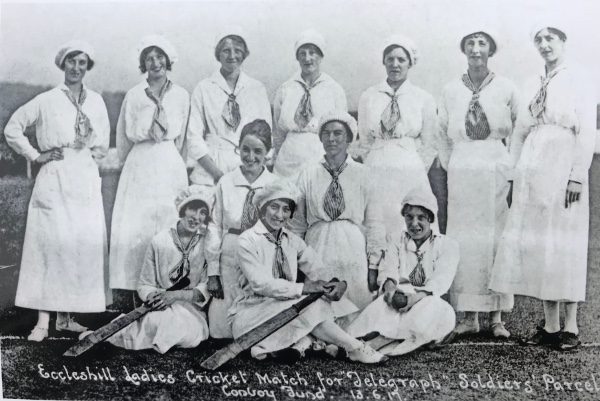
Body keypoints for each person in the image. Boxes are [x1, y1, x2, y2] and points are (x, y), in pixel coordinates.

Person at [489, 25, 596, 350]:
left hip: (563, 165)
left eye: (550, 38)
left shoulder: (578, 78)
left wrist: (577, 174)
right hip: (532, 170)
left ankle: (571, 327)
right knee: (541, 246)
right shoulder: (532, 82)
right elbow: (520, 132)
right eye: (538, 39)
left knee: (565, 241)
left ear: (563, 41)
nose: (544, 44)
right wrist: (513, 176)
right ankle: (549, 326)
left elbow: (587, 129)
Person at [4, 40, 109, 341]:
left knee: (75, 248)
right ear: (62, 64)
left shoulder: (97, 101)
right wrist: (36, 156)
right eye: (71, 62)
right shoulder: (47, 99)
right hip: (55, 173)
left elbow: (101, 145)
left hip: (84, 177)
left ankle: (66, 319)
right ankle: (42, 321)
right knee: (48, 245)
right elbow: (13, 128)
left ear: (88, 67)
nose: (76, 68)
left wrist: (89, 160)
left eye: (82, 63)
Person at [229, 180, 387, 363]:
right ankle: (354, 347)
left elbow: (316, 267)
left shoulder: (292, 240)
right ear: (263, 208)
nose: (280, 215)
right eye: (274, 207)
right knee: (312, 306)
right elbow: (261, 284)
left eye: (286, 209)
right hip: (251, 314)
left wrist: (336, 283)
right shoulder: (246, 241)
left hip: (284, 310)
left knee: (323, 303)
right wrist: (304, 288)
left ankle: (298, 344)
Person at [438, 29, 519, 338]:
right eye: (470, 43)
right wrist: (453, 164)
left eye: (482, 43)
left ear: (491, 50)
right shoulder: (450, 90)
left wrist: (508, 168)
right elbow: (442, 134)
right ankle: (467, 316)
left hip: (494, 166)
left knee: (494, 238)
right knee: (463, 238)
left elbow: (517, 132)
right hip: (463, 168)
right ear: (463, 49)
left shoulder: (507, 87)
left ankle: (496, 317)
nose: (475, 48)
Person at [109, 35, 189, 295]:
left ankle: (169, 283)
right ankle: (136, 289)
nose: (155, 63)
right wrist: (130, 165)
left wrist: (171, 159)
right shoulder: (134, 95)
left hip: (168, 162)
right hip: (140, 162)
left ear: (168, 60)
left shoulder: (181, 95)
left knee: (168, 219)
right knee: (138, 225)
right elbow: (123, 135)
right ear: (143, 63)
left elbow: (183, 137)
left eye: (159, 57)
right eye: (149, 58)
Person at [94, 187, 214, 353]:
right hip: (160, 306)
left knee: (187, 333)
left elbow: (205, 287)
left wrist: (175, 296)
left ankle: (156, 339)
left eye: (203, 213)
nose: (196, 217)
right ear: (182, 209)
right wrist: (154, 297)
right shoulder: (160, 241)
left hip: (191, 310)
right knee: (156, 322)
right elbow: (145, 284)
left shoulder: (207, 244)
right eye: (192, 209)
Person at [290, 112, 386, 312]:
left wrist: (373, 266)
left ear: (349, 137)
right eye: (326, 133)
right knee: (321, 306)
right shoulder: (308, 174)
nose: (331, 139)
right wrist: (295, 265)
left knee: (356, 309)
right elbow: (297, 224)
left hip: (352, 248)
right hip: (317, 246)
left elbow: (375, 223)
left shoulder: (363, 174)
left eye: (338, 133)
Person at [346, 188, 459, 356]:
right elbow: (388, 269)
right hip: (400, 297)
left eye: (421, 217)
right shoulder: (395, 239)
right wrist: (391, 291)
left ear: (431, 218)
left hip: (428, 300)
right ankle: (355, 342)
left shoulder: (448, 245)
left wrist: (415, 298)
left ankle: (379, 343)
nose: (414, 223)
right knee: (383, 309)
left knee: (439, 312)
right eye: (409, 217)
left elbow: (441, 281)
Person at [356, 34, 438, 235]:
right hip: (376, 165)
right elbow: (365, 140)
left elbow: (429, 144)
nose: (395, 64)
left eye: (401, 59)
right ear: (383, 61)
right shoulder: (369, 96)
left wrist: (413, 164)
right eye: (390, 59)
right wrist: (376, 158)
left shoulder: (423, 98)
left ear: (410, 63)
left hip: (409, 168)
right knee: (376, 219)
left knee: (407, 219)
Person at [205, 119, 277, 338]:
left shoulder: (275, 184)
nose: (251, 157)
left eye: (258, 151)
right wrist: (213, 273)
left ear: (268, 153)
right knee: (220, 331)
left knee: (256, 325)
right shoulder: (226, 183)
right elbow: (214, 227)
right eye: (245, 149)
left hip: (260, 254)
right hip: (230, 254)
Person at [187, 27, 272, 186]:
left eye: (238, 50)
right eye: (226, 50)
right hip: (210, 170)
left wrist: (252, 171)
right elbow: (194, 137)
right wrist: (218, 175)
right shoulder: (203, 88)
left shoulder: (257, 88)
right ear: (218, 54)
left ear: (244, 54)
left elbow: (266, 134)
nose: (232, 56)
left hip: (248, 166)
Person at [272, 29, 347, 177]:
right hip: (287, 163)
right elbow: (278, 133)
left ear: (320, 56)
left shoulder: (334, 89)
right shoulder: (286, 89)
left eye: (312, 52)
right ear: (297, 57)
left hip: (320, 160)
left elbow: (343, 133)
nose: (307, 58)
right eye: (302, 53)